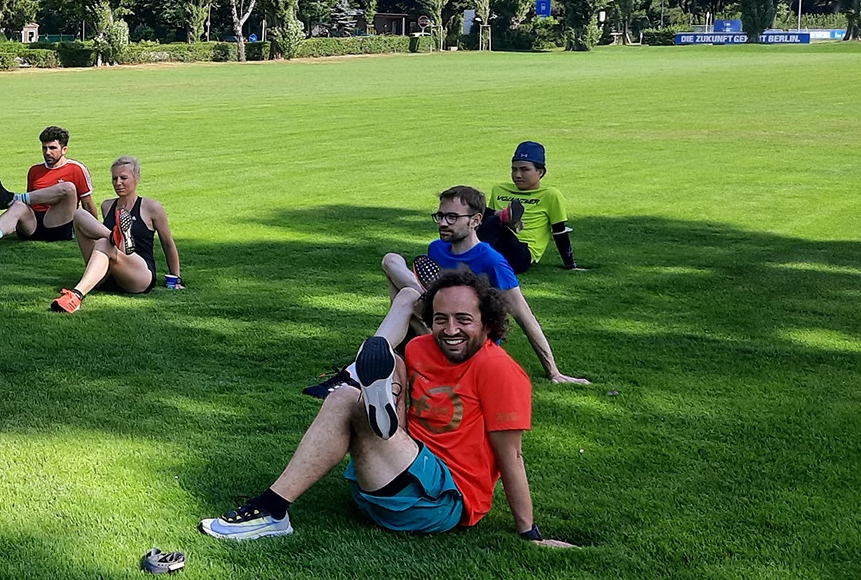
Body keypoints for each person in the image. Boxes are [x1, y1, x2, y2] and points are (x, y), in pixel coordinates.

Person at [198, 271, 578, 548]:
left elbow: (511, 456)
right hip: (388, 483)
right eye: (440, 318)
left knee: (347, 397)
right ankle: (377, 400)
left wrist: (529, 533)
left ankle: (272, 509)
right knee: (392, 361)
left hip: (441, 503)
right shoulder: (420, 349)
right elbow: (416, 327)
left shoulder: (499, 370)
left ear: (489, 322)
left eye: (464, 319)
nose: (450, 329)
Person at [377, 187, 587, 385]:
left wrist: (553, 371)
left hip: (468, 343)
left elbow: (525, 316)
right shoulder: (436, 249)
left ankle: (372, 359)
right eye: (440, 216)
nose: (442, 223)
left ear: (475, 220)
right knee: (392, 260)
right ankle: (395, 344)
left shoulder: (492, 261)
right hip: (435, 327)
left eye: (452, 217)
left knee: (408, 295)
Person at [50, 157, 183, 312]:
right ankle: (114, 237)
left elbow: (167, 243)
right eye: (115, 178)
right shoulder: (107, 206)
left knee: (103, 243)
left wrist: (176, 277)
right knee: (80, 215)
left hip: (139, 275)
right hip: (108, 274)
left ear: (136, 178)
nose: (118, 183)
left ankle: (76, 295)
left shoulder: (151, 207)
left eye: (123, 178)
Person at [0, 126, 96, 255]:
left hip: (59, 224)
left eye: (52, 148)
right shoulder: (35, 170)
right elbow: (31, 201)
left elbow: (88, 203)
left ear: (64, 150)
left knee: (68, 188)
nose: (47, 152)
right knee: (18, 205)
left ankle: (12, 198)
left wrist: (96, 231)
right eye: (44, 148)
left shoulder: (76, 169)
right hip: (33, 225)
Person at [482, 141, 582, 272]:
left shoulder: (550, 195)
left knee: (492, 219)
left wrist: (570, 265)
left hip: (521, 254)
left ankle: (505, 219)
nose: (517, 175)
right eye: (514, 169)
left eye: (525, 170)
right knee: (471, 213)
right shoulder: (499, 189)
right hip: (496, 247)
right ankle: (506, 219)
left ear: (540, 172)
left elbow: (559, 231)